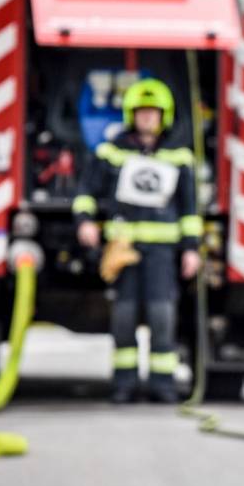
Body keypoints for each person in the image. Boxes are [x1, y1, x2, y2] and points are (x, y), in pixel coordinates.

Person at [73, 77, 202, 404]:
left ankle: (163, 385)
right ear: (131, 115)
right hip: (123, 250)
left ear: (164, 116)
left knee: (162, 318)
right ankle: (124, 385)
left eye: (153, 112)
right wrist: (85, 222)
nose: (147, 118)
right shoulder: (111, 152)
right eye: (141, 112)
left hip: (162, 253)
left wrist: (191, 250)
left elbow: (189, 209)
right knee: (124, 317)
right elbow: (86, 192)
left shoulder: (179, 156)